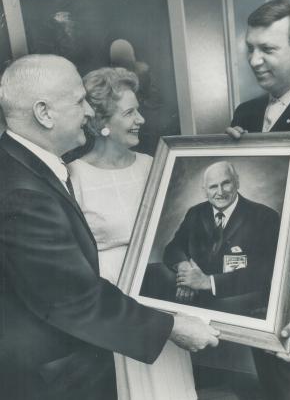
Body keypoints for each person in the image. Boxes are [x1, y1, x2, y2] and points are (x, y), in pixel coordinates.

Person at [0, 54, 219, 400]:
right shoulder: (21, 190)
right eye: (78, 101)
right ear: (44, 113)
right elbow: (73, 296)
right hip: (54, 374)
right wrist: (171, 326)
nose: (88, 112)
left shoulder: (23, 168)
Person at [69, 67, 198, 400]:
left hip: (160, 294)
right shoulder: (74, 177)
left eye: (138, 109)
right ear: (101, 124)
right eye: (129, 112)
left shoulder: (152, 165)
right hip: (114, 306)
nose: (141, 119)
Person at [226, 0, 290, 400]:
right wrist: (226, 153)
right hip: (255, 289)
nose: (254, 60)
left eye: (268, 49)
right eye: (250, 48)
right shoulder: (245, 115)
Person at [163, 161, 280, 317]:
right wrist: (186, 272)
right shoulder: (196, 213)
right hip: (196, 300)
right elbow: (173, 248)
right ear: (205, 191)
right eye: (213, 186)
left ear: (237, 182)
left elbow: (266, 271)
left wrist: (207, 282)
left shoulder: (265, 216)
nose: (220, 192)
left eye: (226, 183)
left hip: (239, 301)